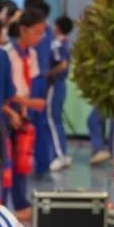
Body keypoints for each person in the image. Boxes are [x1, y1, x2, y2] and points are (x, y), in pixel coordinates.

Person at [2, 9, 48, 222]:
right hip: (7, 110)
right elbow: (5, 91)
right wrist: (28, 104)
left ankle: (20, 203)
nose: (40, 37)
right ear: (23, 30)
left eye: (42, 33)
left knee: (22, 159)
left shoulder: (32, 54)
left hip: (23, 111)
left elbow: (29, 86)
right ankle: (2, 205)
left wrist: (27, 108)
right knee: (6, 162)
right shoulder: (6, 54)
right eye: (37, 32)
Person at [22, 0, 55, 177]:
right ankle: (41, 164)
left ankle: (31, 164)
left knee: (29, 123)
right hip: (42, 78)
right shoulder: (48, 31)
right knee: (40, 124)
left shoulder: (31, 31)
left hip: (33, 78)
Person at [47, 16, 74, 173]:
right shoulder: (66, 42)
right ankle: (62, 152)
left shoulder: (56, 43)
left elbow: (63, 65)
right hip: (61, 85)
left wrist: (48, 74)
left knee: (52, 120)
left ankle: (59, 155)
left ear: (57, 27)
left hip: (55, 85)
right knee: (57, 120)